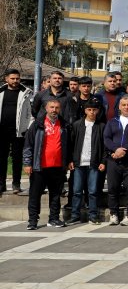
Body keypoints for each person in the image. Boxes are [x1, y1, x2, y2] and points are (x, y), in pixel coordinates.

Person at [23, 99, 71, 230]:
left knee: (55, 194)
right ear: (46, 108)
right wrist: (27, 163)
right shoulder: (37, 125)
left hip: (57, 167)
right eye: (51, 107)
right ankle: (33, 221)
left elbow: (69, 146)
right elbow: (28, 145)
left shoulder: (64, 125)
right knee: (35, 195)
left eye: (56, 107)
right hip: (40, 167)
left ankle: (54, 218)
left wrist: (67, 162)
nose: (54, 110)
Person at [104, 96, 128, 226]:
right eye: (124, 105)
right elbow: (107, 139)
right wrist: (116, 150)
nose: (127, 107)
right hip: (113, 160)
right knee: (113, 189)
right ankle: (114, 214)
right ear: (120, 107)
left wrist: (123, 151)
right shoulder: (112, 121)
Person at [67, 97, 105, 225]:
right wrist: (70, 160)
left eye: (94, 110)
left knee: (93, 191)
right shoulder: (77, 125)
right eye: (89, 109)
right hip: (79, 163)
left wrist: (103, 161)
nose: (92, 112)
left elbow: (105, 147)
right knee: (77, 191)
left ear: (98, 111)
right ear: (85, 110)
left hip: (93, 163)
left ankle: (93, 215)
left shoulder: (101, 126)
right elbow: (70, 144)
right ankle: (75, 215)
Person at [0, 69, 33, 194]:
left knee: (17, 158)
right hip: (1, 131)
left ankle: (16, 184)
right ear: (6, 79)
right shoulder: (1, 92)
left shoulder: (26, 93)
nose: (15, 81)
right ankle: (1, 184)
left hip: (19, 132)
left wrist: (27, 128)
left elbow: (30, 113)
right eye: (12, 78)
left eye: (17, 78)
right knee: (1, 158)